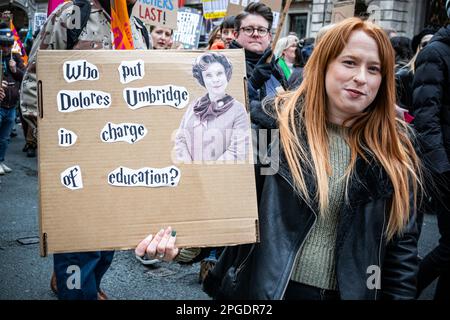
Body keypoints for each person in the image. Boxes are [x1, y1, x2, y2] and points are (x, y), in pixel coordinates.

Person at [136, 17, 423, 300]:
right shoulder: (271, 130)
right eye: (349, 63)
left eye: (373, 69)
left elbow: (401, 256)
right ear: (323, 65)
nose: (361, 77)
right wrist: (180, 240)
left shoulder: (396, 151)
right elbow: (216, 207)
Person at [20, 0, 150, 300]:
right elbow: (35, 79)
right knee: (80, 240)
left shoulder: (138, 27)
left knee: (109, 239)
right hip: (76, 154)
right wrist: (46, 144)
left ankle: (81, 280)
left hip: (121, 154)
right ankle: (78, 289)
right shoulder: (73, 15)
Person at [412, 0, 450, 300]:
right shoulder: (435, 52)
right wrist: (440, 166)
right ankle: (403, 291)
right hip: (446, 165)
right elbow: (426, 115)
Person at [175, 52, 249, 162]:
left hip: (221, 175)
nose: (215, 80)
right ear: (202, 79)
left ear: (226, 75)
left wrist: (210, 172)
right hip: (191, 175)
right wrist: (190, 168)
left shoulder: (238, 109)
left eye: (219, 73)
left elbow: (238, 150)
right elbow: (180, 139)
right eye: (208, 75)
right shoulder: (194, 106)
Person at [0, 23, 25, 175]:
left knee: (4, 138)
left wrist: (15, 69)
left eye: (9, 45)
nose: (6, 48)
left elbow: (25, 77)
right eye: (3, 45)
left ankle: (1, 161)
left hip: (11, 106)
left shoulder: (15, 57)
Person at [396, 28, 436, 112]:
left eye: (434, 44)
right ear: (418, 48)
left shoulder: (444, 77)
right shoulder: (402, 77)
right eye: (425, 44)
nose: (430, 48)